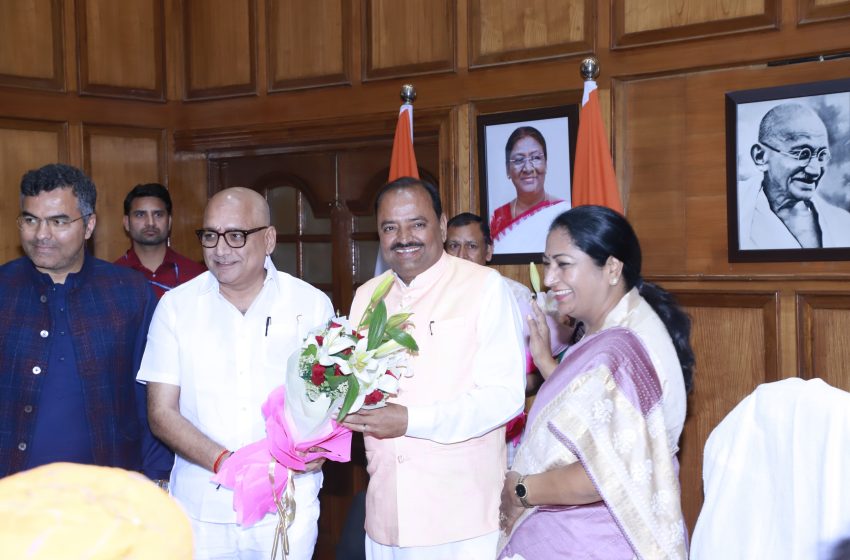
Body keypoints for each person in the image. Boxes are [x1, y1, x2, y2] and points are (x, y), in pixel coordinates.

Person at [137, 187, 334, 560]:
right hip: (201, 508)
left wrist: (321, 446)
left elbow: (330, 400)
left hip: (286, 503)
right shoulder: (176, 307)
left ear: (269, 239)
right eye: (210, 236)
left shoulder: (310, 304)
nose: (220, 249)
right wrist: (229, 464)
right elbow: (161, 412)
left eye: (236, 235)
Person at [342, 177, 526, 559]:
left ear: (441, 226)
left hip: (462, 521)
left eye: (417, 224)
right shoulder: (367, 297)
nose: (403, 237)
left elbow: (504, 398)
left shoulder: (484, 287)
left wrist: (410, 420)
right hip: (386, 518)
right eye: (390, 227)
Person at [498, 205, 694, 559]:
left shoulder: (623, 348)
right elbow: (593, 410)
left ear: (612, 268)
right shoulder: (614, 326)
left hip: (598, 539)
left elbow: (603, 473)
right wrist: (546, 362)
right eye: (547, 263)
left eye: (563, 264)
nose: (548, 279)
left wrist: (521, 490)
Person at [0, 163, 169, 482]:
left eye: (58, 221)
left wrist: (158, 477)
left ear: (89, 225)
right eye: (30, 220)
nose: (41, 234)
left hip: (109, 492)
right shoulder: (3, 289)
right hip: (12, 493)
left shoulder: (129, 293)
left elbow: (150, 396)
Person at [445, 212, 574, 466]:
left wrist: (508, 385)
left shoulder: (516, 296)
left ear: (488, 251)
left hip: (503, 430)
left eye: (471, 246)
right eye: (453, 246)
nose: (462, 256)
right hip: (447, 429)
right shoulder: (433, 298)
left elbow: (535, 370)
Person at [740, 102, 850, 249]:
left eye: (821, 155)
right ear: (760, 157)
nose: (815, 171)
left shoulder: (842, 223)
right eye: (802, 154)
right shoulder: (736, 208)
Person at [115, 183, 206, 298]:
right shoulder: (111, 277)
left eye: (158, 215)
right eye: (140, 215)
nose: (150, 223)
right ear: (126, 223)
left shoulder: (197, 275)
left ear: (169, 222)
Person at [490, 126, 568, 254]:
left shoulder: (565, 211)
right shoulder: (497, 219)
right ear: (507, 169)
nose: (528, 168)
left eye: (536, 158)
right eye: (519, 160)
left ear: (546, 164)